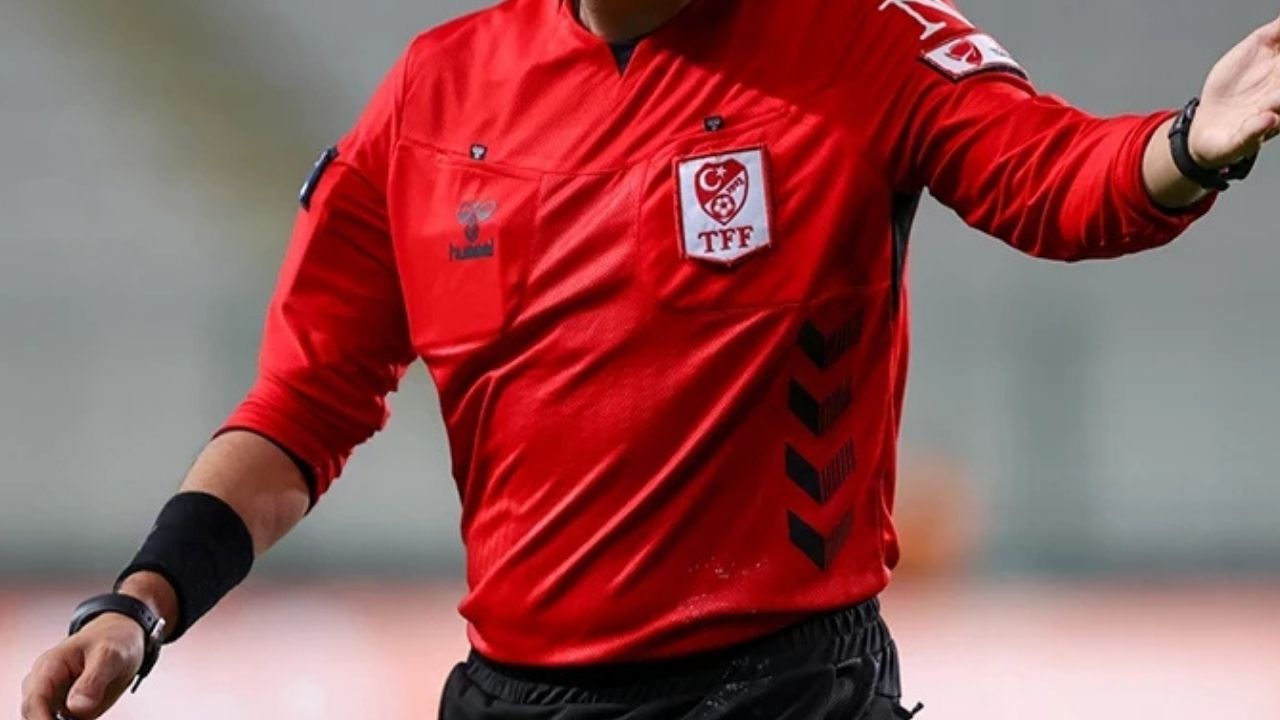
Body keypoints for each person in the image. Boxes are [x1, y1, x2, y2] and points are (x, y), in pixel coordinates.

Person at [20, 0, 1280, 718]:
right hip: (516, 698)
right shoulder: (432, 93)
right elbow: (304, 404)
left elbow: (1056, 182)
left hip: (785, 692)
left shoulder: (859, 37)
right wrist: (141, 601)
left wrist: (1188, 145)